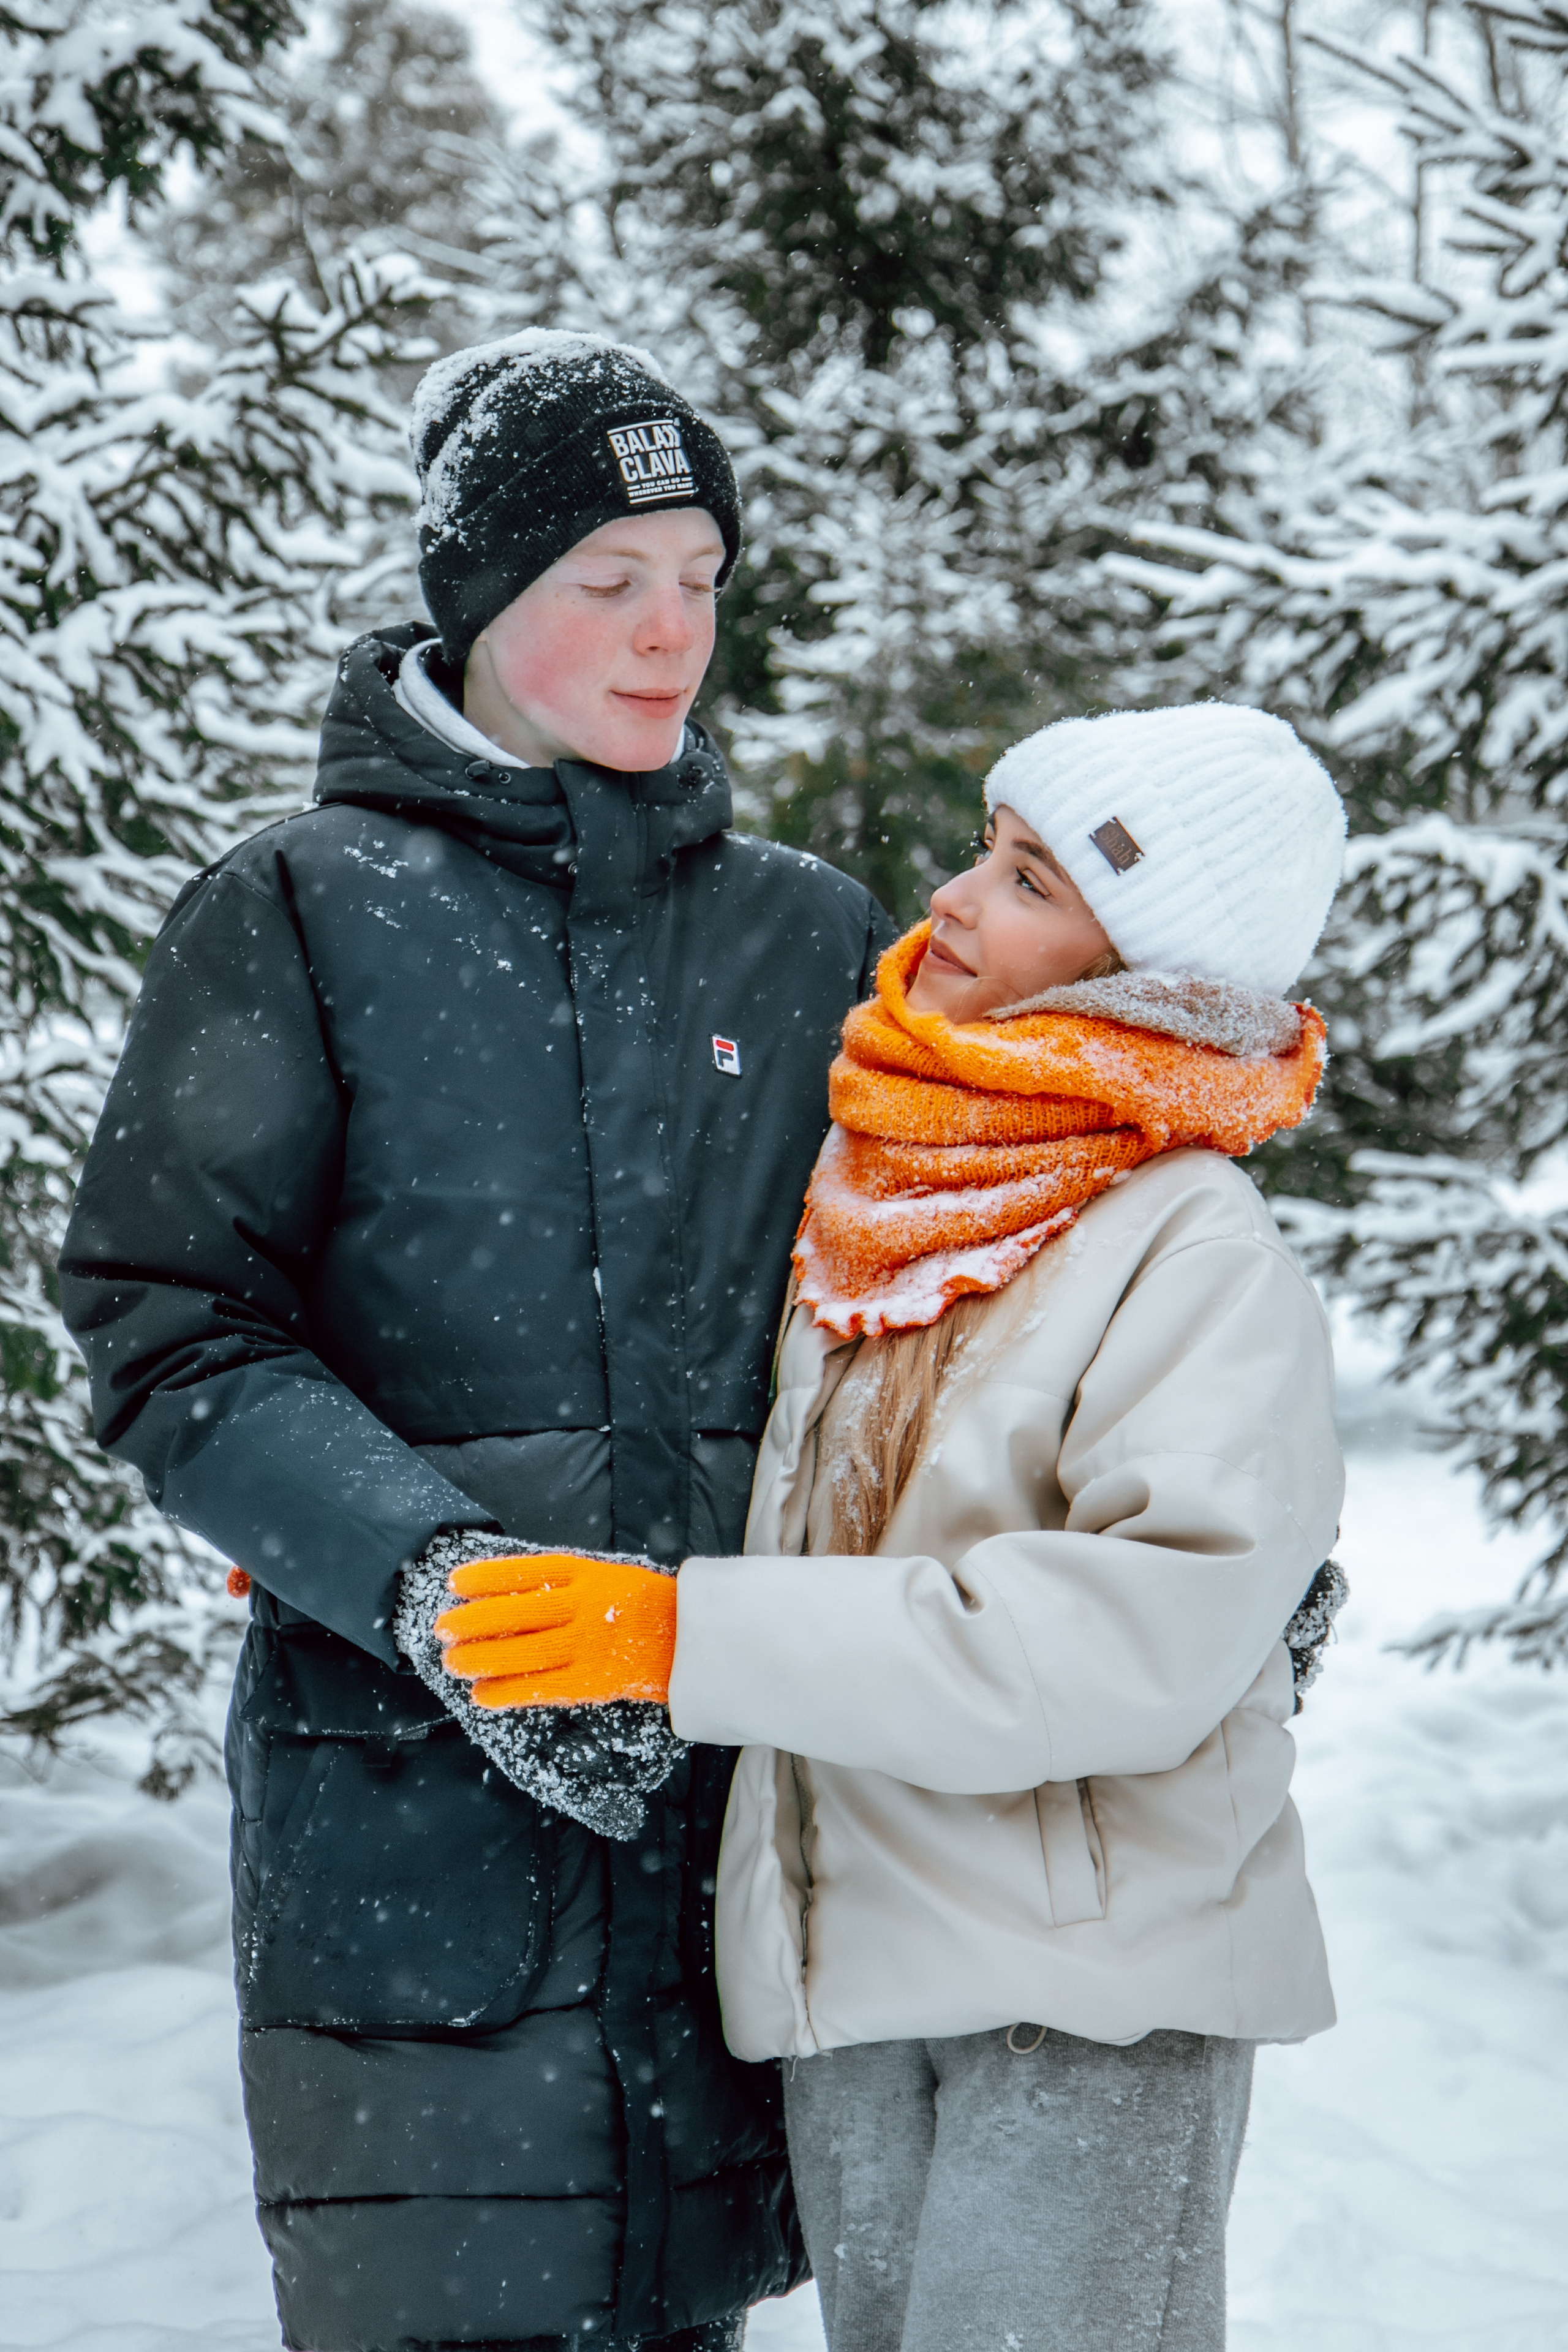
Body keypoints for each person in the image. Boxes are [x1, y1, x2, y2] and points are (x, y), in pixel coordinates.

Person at [58, 331, 897, 2352]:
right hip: (409, 1829)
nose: (668, 631)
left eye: (700, 574)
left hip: (738, 1839)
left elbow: (935, 1299)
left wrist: (1173, 1535)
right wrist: (441, 1584)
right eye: (608, 579)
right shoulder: (299, 910)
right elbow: (174, 1327)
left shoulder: (803, 934)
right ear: (480, 595)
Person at [429, 702, 1350, 2352]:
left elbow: (1131, 1640)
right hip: (852, 1975)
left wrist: (684, 1638)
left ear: (1150, 976)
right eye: (989, 852)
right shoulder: (881, 1189)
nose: (958, 904)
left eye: (1031, 884)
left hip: (1081, 2003)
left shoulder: (1186, 1243)